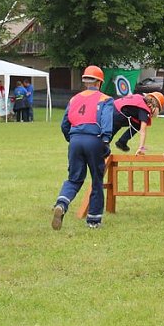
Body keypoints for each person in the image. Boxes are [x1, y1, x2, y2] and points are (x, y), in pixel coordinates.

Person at [52, 66, 115, 230]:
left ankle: (62, 204)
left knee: (74, 179)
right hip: (94, 140)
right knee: (96, 180)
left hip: (75, 140)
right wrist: (106, 140)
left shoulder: (74, 99)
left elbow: (64, 124)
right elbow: (106, 122)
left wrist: (71, 139)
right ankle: (93, 220)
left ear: (85, 81)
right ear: (100, 82)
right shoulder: (105, 99)